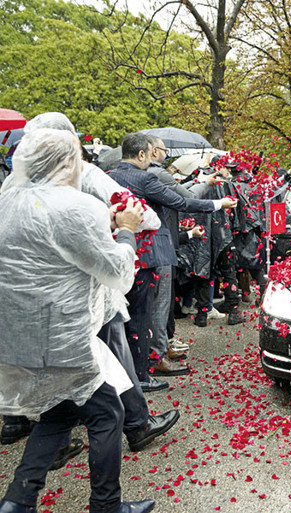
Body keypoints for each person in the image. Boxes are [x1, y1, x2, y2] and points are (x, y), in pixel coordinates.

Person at [0, 129, 154, 513]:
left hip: (18, 333)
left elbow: (49, 231)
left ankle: (19, 500)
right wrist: (127, 230)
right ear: (68, 162)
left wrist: (106, 216)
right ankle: (106, 505)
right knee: (107, 413)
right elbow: (118, 272)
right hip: (63, 335)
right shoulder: (74, 205)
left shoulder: (9, 200)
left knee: (60, 410)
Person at [108, 134, 237, 386]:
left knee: (131, 313)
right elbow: (180, 201)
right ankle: (150, 363)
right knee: (152, 311)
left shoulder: (110, 176)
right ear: (143, 154)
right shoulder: (146, 178)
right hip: (153, 252)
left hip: (124, 250)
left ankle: (134, 366)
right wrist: (218, 203)